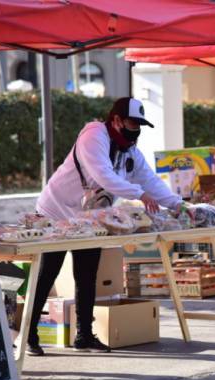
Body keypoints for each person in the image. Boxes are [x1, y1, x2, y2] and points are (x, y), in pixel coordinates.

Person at [27, 97, 187, 356]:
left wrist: (178, 204)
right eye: (132, 123)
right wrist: (138, 193)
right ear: (116, 120)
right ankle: (29, 334)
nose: (135, 130)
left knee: (87, 274)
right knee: (47, 273)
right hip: (56, 212)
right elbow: (104, 175)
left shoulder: (129, 151)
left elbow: (150, 180)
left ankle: (84, 335)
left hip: (90, 219)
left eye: (139, 126)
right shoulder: (94, 135)